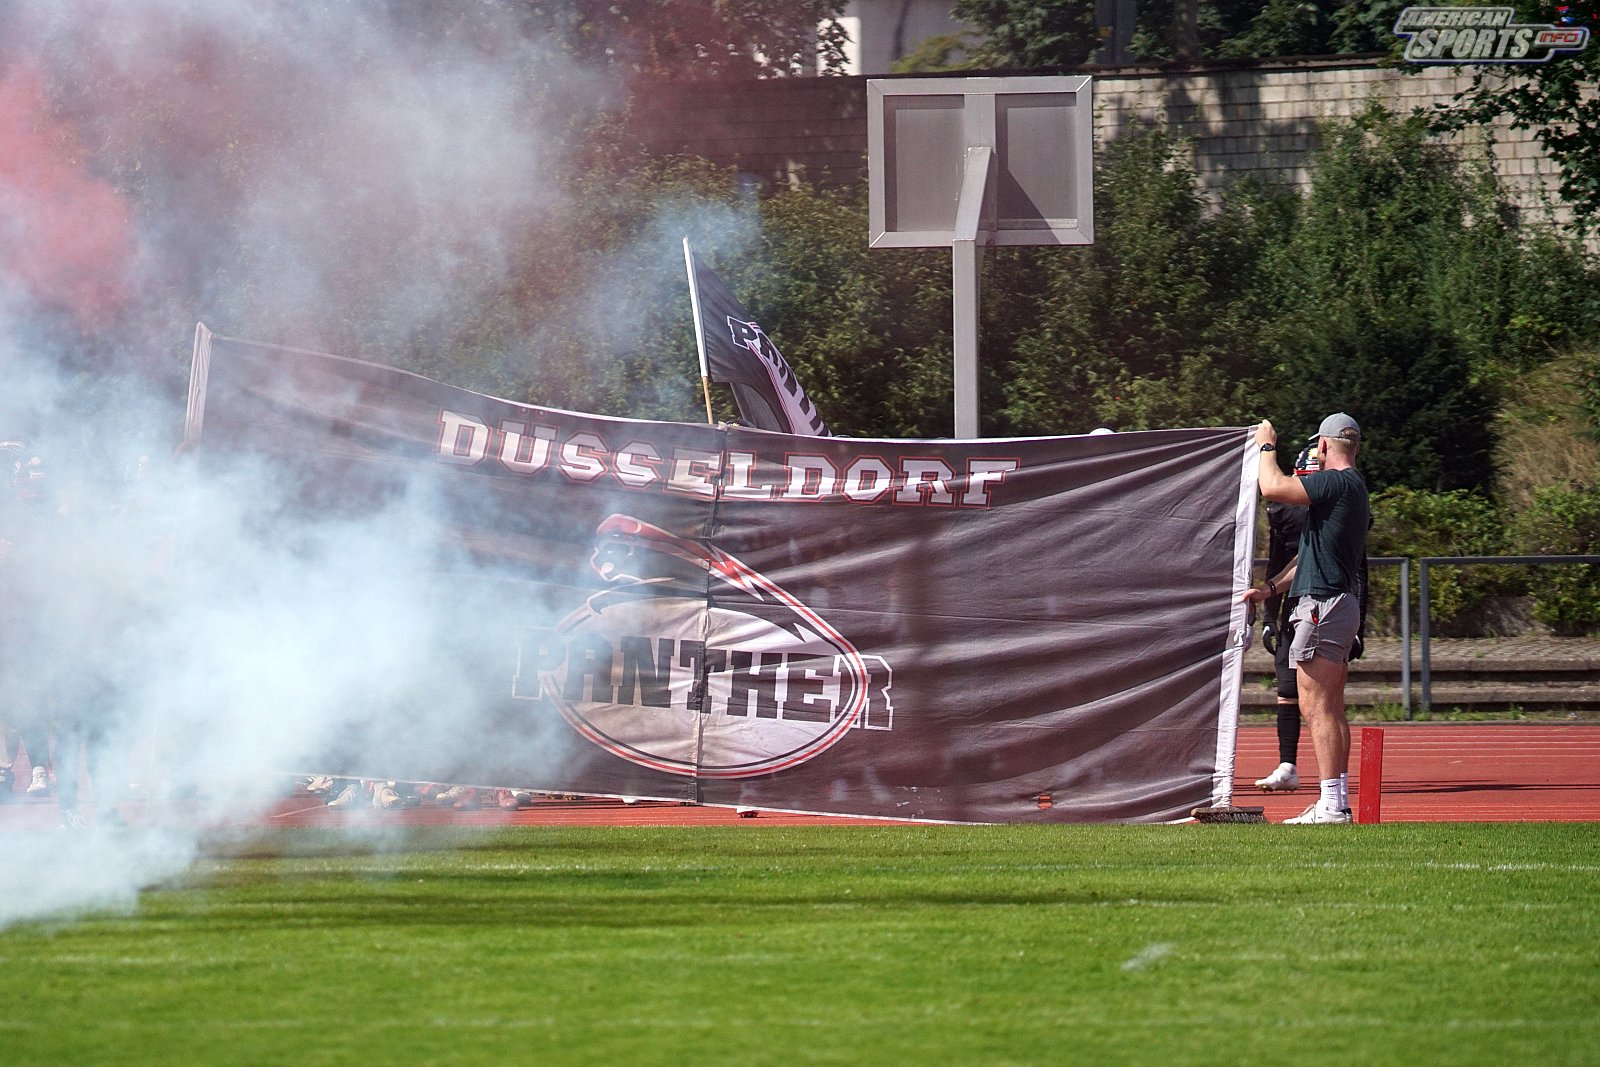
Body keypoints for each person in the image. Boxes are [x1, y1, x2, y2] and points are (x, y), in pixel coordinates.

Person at [1242, 413, 1370, 825]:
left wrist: (1266, 445)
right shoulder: (1350, 486)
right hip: (1335, 602)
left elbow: (1271, 486)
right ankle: (1336, 801)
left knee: (1317, 708)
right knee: (1330, 707)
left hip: (1322, 605)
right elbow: (1307, 557)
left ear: (1324, 445)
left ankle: (1331, 805)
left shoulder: (1335, 482)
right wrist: (1270, 590)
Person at [1255, 435, 1319, 793]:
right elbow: (1279, 559)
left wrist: (1359, 616)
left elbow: (1358, 567)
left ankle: (1333, 782)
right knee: (1286, 686)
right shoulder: (1283, 510)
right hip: (1294, 602)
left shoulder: (1341, 505)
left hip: (1327, 599)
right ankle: (1287, 764)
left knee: (1323, 693)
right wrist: (1269, 616)